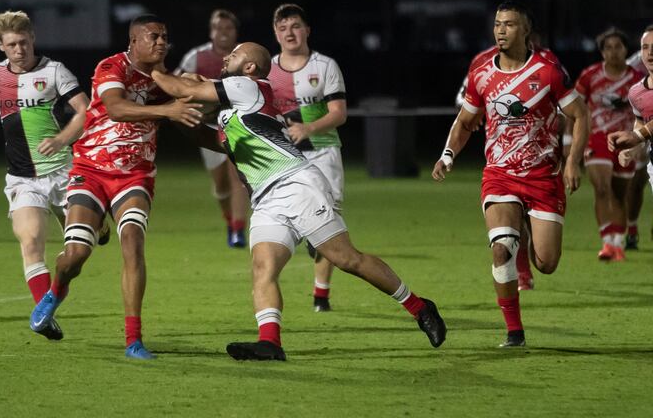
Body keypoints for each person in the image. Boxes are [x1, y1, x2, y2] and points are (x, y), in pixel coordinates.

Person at [150, 42, 446, 361]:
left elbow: (177, 86)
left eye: (234, 55)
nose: (226, 57)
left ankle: (419, 307)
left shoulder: (248, 87)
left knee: (347, 259)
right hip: (266, 200)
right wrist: (173, 112)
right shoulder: (233, 112)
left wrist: (148, 70)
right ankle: (271, 343)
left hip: (296, 184)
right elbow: (204, 137)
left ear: (250, 68)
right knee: (263, 269)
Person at [28, 14, 204, 359]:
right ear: (134, 41)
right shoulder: (112, 67)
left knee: (133, 242)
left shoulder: (168, 81)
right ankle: (56, 291)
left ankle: (133, 340)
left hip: (135, 175)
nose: (160, 42)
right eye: (153, 36)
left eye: (164, 36)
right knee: (75, 256)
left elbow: (193, 103)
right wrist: (168, 110)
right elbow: (116, 108)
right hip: (91, 169)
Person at [432, 0, 589, 348]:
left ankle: (529, 229)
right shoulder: (481, 71)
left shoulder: (547, 70)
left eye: (510, 24)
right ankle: (514, 331)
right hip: (500, 175)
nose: (501, 30)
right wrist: (447, 155)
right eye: (498, 24)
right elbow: (465, 121)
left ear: (526, 30)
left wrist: (574, 161)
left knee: (546, 263)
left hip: (544, 176)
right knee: (501, 248)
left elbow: (580, 115)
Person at [0, 11, 93, 340]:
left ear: (33, 38)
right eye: (12, 44)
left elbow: (88, 111)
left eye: (24, 42)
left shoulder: (55, 71)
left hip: (65, 173)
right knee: (30, 241)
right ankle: (45, 314)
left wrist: (62, 138)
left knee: (78, 252)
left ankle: (99, 225)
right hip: (23, 178)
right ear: (1, 46)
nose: (19, 49)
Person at [267, 4, 347, 312]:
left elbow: (339, 113)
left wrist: (308, 127)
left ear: (307, 30)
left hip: (324, 151)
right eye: (283, 27)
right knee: (283, 219)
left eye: (295, 26)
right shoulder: (267, 70)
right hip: (285, 158)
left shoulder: (325, 66)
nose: (290, 33)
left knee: (330, 220)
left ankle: (321, 295)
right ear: (276, 33)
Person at [175, 9, 249, 248]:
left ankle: (238, 230)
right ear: (211, 32)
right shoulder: (196, 57)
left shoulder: (245, 56)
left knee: (237, 176)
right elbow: (177, 84)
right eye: (219, 28)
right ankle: (229, 220)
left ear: (236, 32)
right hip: (208, 127)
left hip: (238, 126)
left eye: (228, 28)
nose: (223, 33)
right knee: (221, 184)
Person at [574, 28, 643, 262]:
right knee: (602, 188)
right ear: (602, 52)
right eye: (608, 48)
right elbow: (573, 108)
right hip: (597, 140)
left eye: (618, 47)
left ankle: (618, 243)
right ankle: (606, 242)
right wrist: (568, 141)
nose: (613, 52)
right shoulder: (590, 76)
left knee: (619, 194)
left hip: (625, 142)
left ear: (626, 50)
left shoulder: (637, 80)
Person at [610, 26, 653, 215]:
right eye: (645, 47)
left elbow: (639, 133)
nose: (650, 52)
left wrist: (636, 136)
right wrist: (632, 149)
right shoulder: (636, 93)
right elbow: (641, 123)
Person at [622, 48, 648, 250]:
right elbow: (624, 74)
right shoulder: (641, 58)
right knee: (637, 182)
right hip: (645, 129)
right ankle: (631, 229)